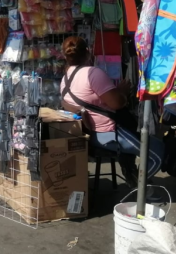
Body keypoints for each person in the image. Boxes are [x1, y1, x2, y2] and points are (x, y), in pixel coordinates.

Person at [59, 36, 164, 189]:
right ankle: (138, 188)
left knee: (137, 144)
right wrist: (122, 91)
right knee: (158, 153)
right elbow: (118, 103)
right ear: (88, 53)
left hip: (89, 133)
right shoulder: (93, 73)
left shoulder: (65, 79)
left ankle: (135, 178)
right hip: (109, 133)